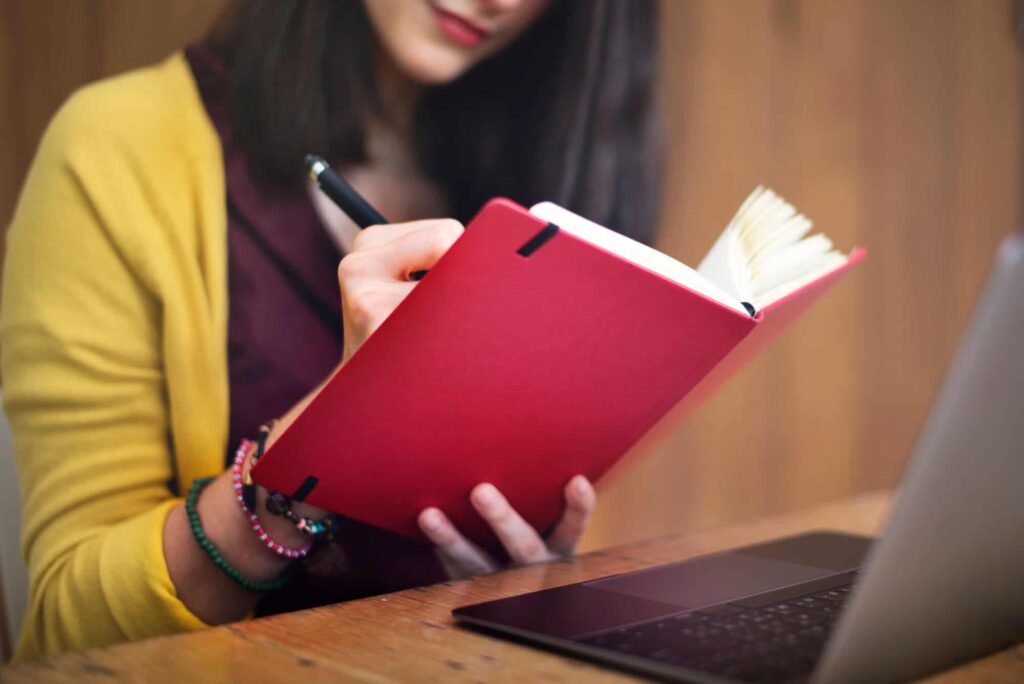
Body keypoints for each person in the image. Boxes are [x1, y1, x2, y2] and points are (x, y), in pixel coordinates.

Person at [1, 0, 660, 660]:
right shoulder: (119, 147)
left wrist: (530, 579)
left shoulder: (531, 175)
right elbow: (68, 626)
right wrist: (320, 448)